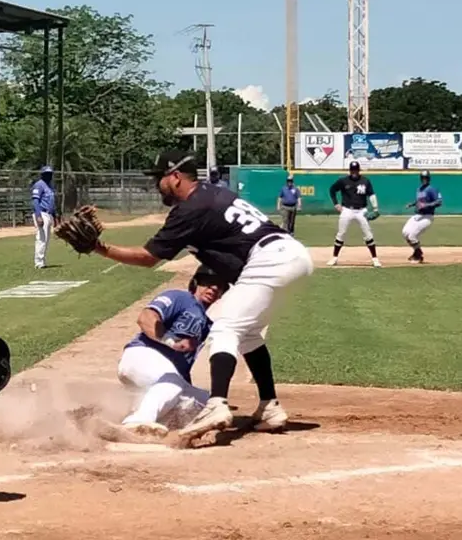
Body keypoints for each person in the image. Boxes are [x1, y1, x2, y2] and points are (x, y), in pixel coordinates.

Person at [86, 150, 313, 442]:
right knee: (249, 334)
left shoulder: (191, 207)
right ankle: (269, 406)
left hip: (271, 258)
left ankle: (217, 404)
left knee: (224, 328)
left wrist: (98, 248)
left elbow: (147, 258)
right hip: (293, 256)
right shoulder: (211, 194)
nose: (158, 185)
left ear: (176, 176)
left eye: (160, 179)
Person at [116, 265, 228, 439]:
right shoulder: (180, 297)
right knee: (172, 384)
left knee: (207, 403)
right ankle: (137, 421)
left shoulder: (206, 326)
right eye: (209, 282)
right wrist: (171, 341)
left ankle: (141, 409)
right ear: (196, 283)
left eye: (219, 285)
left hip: (163, 374)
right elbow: (146, 318)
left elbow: (183, 370)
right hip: (142, 355)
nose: (214, 288)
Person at [327, 160, 381, 267]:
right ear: (350, 170)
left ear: (359, 170)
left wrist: (375, 209)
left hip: (362, 210)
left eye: (356, 170)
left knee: (368, 234)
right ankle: (334, 258)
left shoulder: (365, 181)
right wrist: (336, 204)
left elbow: (371, 194)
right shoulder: (343, 181)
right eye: (352, 170)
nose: (354, 172)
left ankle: (375, 259)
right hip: (347, 210)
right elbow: (332, 190)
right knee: (341, 233)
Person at [402, 170, 442, 264]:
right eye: (423, 178)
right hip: (418, 215)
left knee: (412, 236)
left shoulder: (432, 189)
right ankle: (417, 252)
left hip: (427, 216)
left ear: (429, 179)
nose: (424, 180)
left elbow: (439, 202)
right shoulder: (419, 189)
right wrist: (411, 204)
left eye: (426, 178)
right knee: (405, 232)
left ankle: (418, 255)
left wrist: (426, 205)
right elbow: (418, 201)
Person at [31, 165, 58, 269]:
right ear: (42, 175)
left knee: (46, 239)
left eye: (50, 174)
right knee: (41, 238)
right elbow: (35, 201)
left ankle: (42, 260)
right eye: (47, 174)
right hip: (41, 213)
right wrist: (38, 216)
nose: (49, 175)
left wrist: (55, 217)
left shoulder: (50, 186)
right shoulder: (39, 185)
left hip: (49, 214)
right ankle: (38, 262)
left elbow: (52, 202)